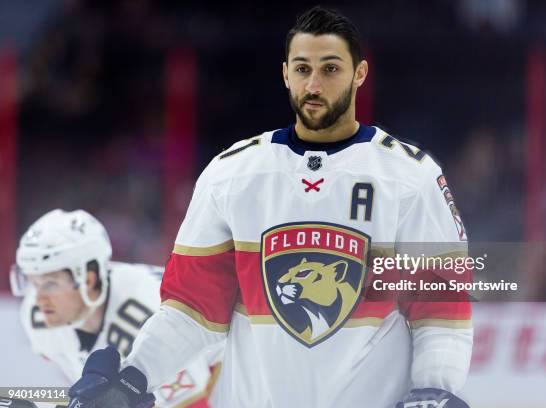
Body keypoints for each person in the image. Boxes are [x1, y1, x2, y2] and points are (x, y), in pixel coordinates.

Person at [68, 6, 473, 408]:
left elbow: (440, 307)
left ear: (360, 73)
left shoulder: (410, 176)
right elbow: (192, 307)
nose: (314, 84)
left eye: (330, 69)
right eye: (302, 69)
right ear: (285, 74)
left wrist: (434, 391)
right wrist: (134, 377)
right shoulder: (232, 174)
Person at [12, 209, 218, 407]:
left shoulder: (150, 316)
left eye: (50, 284)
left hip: (227, 373)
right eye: (33, 282)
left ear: (88, 280)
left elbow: (193, 404)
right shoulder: (37, 317)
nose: (38, 298)